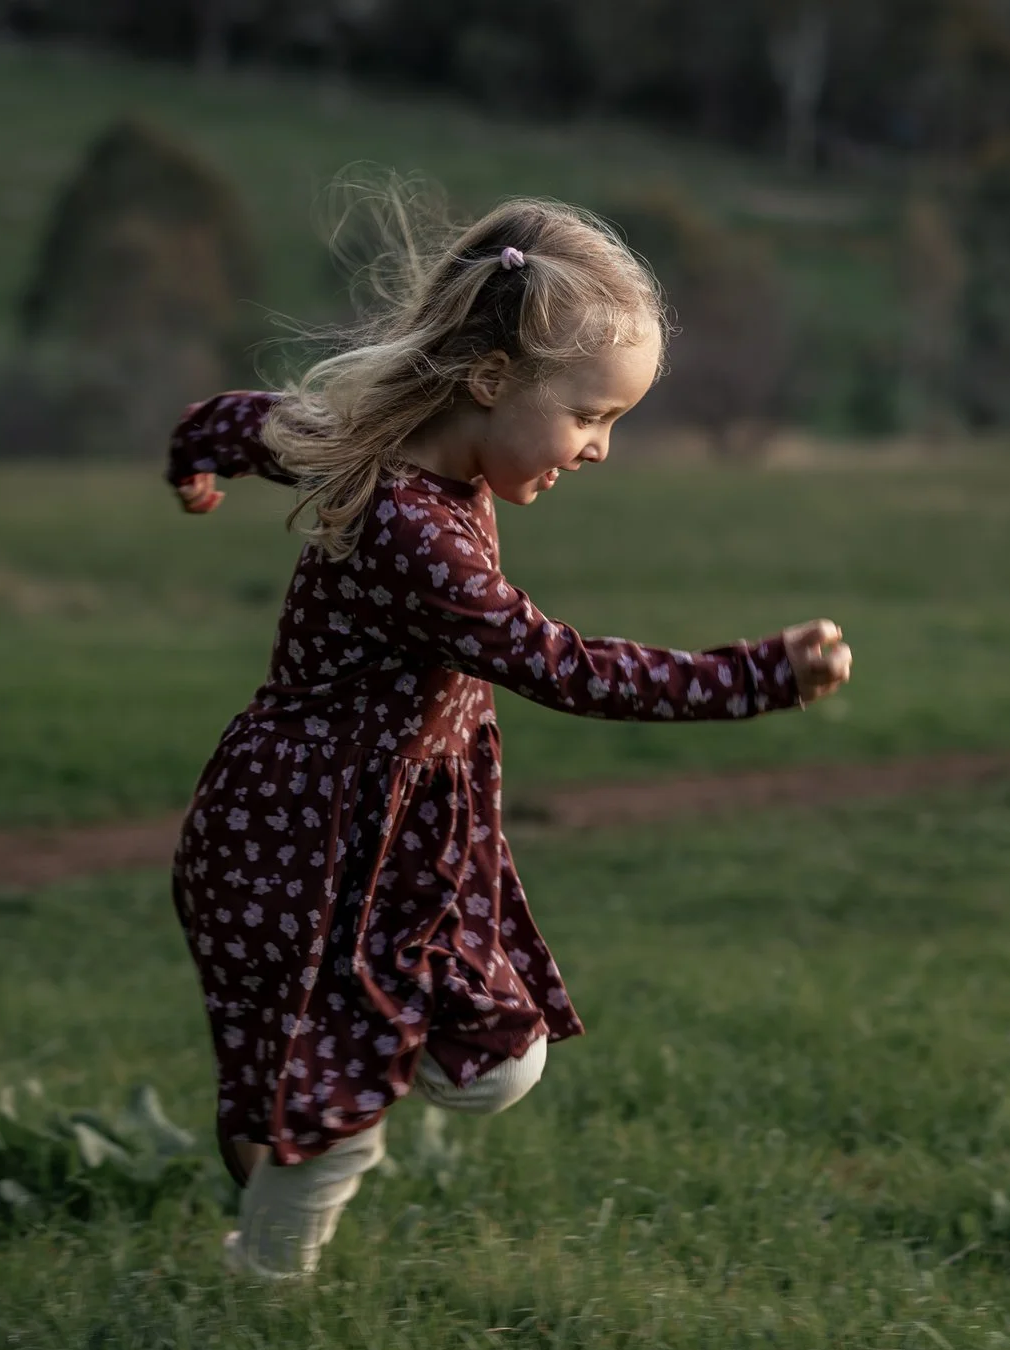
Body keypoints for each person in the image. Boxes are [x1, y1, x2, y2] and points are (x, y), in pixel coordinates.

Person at [162, 197, 852, 1279]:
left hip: (379, 838)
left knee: (479, 1059)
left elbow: (246, 423)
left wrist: (194, 454)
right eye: (589, 415)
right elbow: (563, 666)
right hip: (301, 843)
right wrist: (753, 676)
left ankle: (307, 1110)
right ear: (488, 379)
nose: (601, 449)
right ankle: (260, 1285)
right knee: (335, 1106)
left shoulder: (412, 464)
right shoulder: (411, 534)